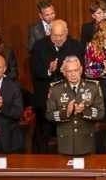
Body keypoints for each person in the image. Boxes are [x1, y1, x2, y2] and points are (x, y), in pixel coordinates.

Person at [29, 19, 85, 153]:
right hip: (45, 98)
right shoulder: (39, 46)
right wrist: (49, 70)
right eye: (55, 36)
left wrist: (68, 72)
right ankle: (42, 163)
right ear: (49, 32)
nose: (58, 39)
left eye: (61, 36)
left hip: (68, 97)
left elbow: (82, 70)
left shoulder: (76, 46)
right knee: (43, 132)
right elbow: (34, 70)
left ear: (67, 32)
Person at [46, 55, 105, 155]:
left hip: (86, 143)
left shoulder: (93, 87)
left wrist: (85, 110)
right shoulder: (55, 89)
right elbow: (49, 116)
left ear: (81, 69)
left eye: (76, 70)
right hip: (65, 144)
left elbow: (100, 113)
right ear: (64, 72)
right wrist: (66, 112)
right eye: (69, 71)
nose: (73, 74)